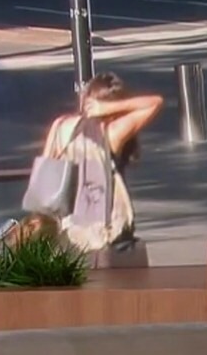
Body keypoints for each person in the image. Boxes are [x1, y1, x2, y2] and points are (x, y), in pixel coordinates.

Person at [40, 72, 162, 253]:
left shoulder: (60, 125)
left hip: (65, 228)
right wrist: (111, 107)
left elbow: (43, 175)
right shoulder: (111, 131)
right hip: (104, 232)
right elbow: (155, 102)